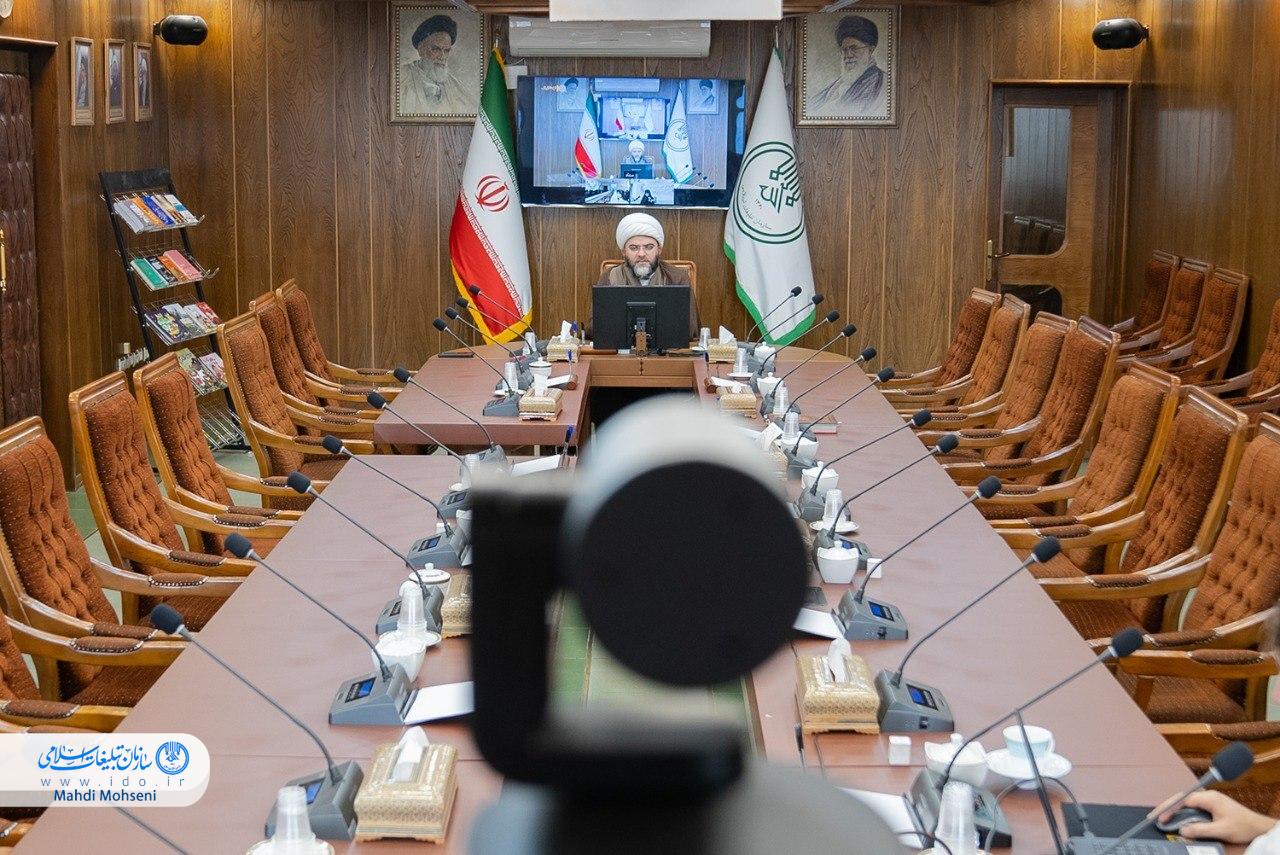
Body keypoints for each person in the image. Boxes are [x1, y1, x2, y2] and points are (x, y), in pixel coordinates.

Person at [597, 212, 697, 342]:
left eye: (649, 247)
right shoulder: (610, 277)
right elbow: (596, 327)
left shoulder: (677, 278)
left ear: (659, 250)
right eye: (634, 248)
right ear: (624, 251)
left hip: (666, 351)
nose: (641, 254)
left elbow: (689, 329)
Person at [811, 15, 886, 116]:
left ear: (870, 50)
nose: (848, 55)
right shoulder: (839, 83)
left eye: (854, 48)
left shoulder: (880, 82)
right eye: (844, 49)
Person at [400, 14, 474, 116]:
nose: (442, 57)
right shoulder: (401, 77)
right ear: (421, 49)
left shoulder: (455, 86)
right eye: (436, 49)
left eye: (446, 51)